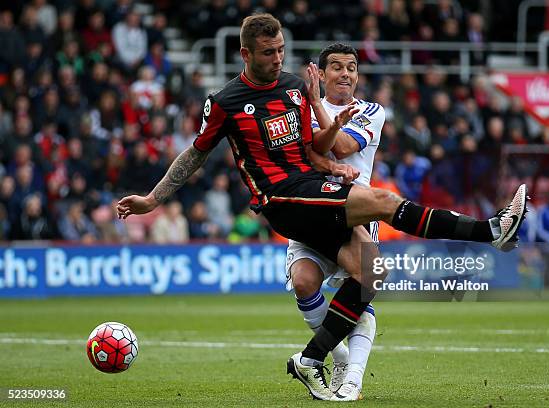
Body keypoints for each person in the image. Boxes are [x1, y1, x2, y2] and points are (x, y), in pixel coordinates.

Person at [116, 13, 527, 401]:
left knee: (371, 272)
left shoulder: (296, 88)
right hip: (280, 196)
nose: (277, 59)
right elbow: (195, 153)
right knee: (382, 203)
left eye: (280, 49)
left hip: (314, 186)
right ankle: (491, 231)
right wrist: (153, 199)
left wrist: (331, 165)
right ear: (245, 54)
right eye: (267, 52)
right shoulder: (226, 101)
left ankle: (311, 360)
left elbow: (309, 151)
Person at [285, 43, 383, 401]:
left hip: (355, 214)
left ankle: (353, 379)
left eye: (352, 68)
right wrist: (312, 105)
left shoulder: (371, 111)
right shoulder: (300, 109)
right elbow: (304, 156)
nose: (346, 74)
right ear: (322, 74)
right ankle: (337, 358)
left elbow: (341, 146)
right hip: (311, 210)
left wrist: (315, 109)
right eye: (337, 67)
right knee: (304, 282)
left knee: (360, 294)